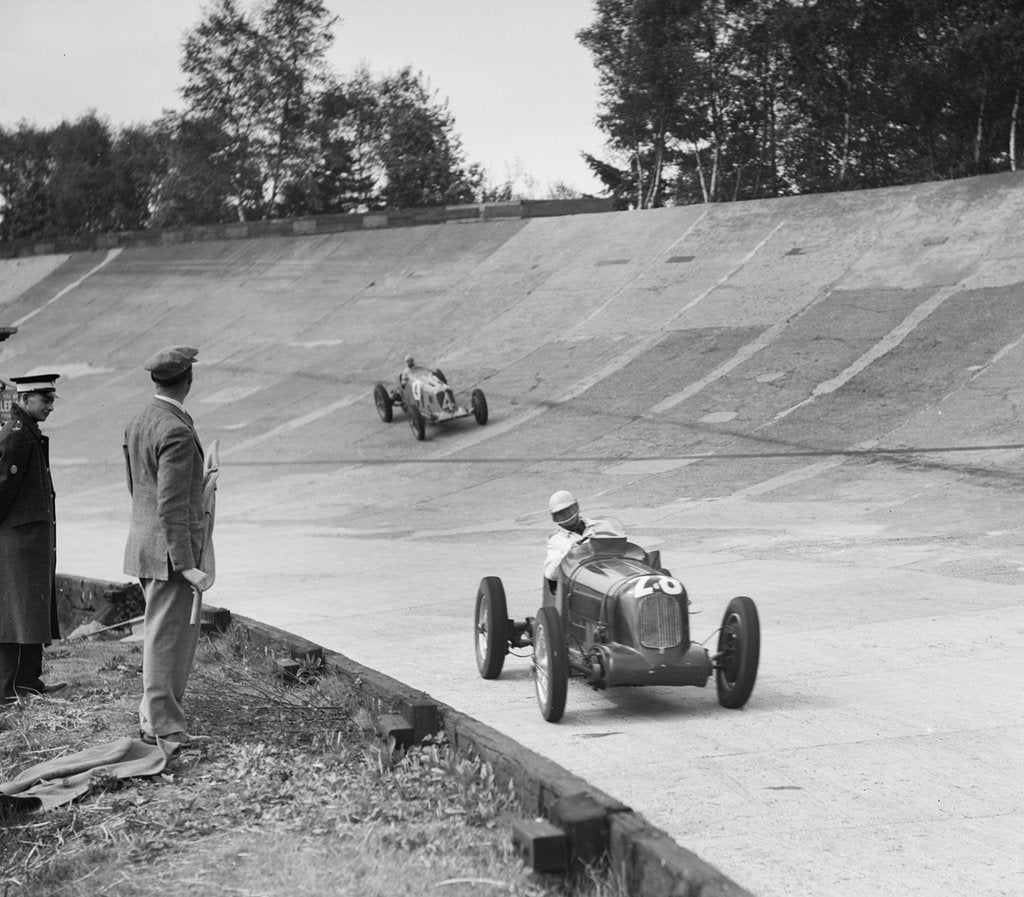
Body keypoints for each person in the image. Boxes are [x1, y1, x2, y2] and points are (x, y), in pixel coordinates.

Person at [123, 346, 209, 746]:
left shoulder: (141, 419)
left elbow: (138, 487)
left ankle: (154, 716)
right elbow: (170, 502)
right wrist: (186, 562)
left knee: (164, 633)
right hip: (170, 554)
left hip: (147, 546)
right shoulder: (175, 428)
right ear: (187, 380)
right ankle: (163, 725)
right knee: (166, 638)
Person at [0, 374, 66, 705]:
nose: (51, 407)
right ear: (25, 399)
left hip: (30, 541)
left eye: (52, 399)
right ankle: (8, 689)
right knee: (15, 615)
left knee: (31, 612)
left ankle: (28, 682)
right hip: (19, 542)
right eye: (46, 400)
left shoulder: (28, 433)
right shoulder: (15, 437)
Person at [543, 490, 593, 588]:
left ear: (576, 508)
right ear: (555, 517)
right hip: (580, 585)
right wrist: (570, 554)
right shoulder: (555, 542)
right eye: (561, 513)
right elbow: (551, 574)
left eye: (569, 510)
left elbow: (623, 546)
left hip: (607, 571)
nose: (567, 515)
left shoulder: (598, 525)